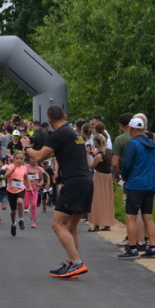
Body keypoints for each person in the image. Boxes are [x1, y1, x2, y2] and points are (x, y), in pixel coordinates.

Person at [25, 105, 92, 279]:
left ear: (49, 120)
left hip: (74, 181)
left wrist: (26, 147)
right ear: (65, 115)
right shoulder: (73, 133)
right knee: (70, 226)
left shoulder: (60, 133)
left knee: (57, 224)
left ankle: (77, 262)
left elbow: (39, 157)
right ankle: (71, 264)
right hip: (86, 180)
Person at [119, 117, 155, 259]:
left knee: (131, 217)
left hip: (137, 184)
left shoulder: (133, 143)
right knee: (148, 217)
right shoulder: (151, 143)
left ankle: (132, 248)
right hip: (151, 184)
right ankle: (153, 247)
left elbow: (127, 165)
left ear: (131, 129)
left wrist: (124, 177)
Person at [87, 132, 115, 232]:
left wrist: (87, 154)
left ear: (96, 142)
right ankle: (107, 223)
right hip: (108, 177)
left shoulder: (99, 156)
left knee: (97, 199)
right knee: (107, 200)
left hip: (99, 177)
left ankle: (96, 223)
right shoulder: (109, 152)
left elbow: (91, 166)